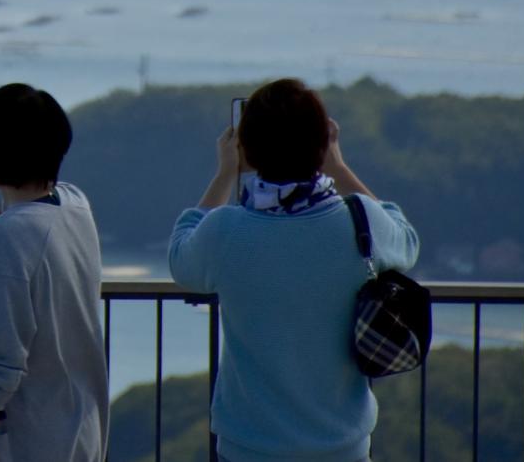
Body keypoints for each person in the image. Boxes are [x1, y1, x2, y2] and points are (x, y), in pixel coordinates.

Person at [169, 77, 420, 462]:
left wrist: (224, 174)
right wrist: (339, 166)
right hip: (343, 449)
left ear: (247, 151)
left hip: (248, 449)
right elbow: (406, 239)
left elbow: (181, 257)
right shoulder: (359, 222)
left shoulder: (226, 231)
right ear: (322, 144)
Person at [0, 83, 107, 462]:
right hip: (80, 432)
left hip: (29, 441)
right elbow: (35, 193)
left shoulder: (6, 236)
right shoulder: (76, 207)